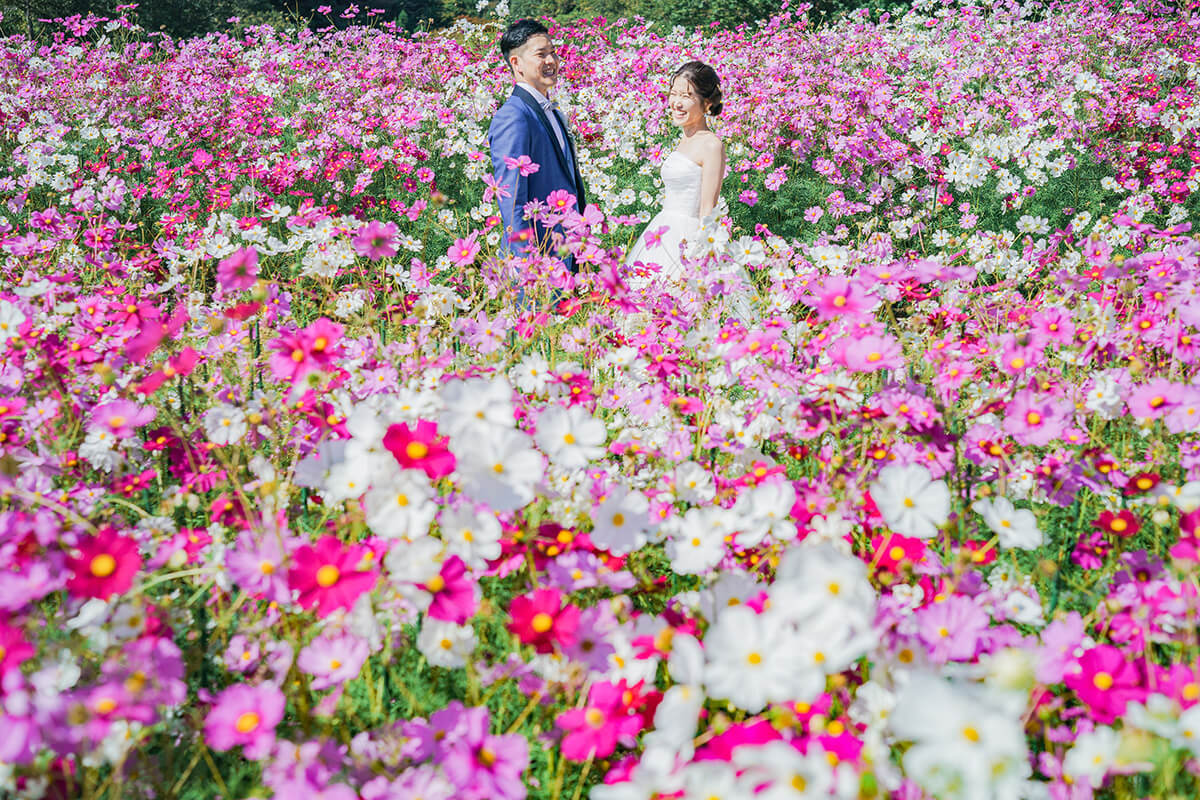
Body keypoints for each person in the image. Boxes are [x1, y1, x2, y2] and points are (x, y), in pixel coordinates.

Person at [488, 19, 588, 275]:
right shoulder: (514, 116)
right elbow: (512, 200)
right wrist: (527, 266)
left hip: (566, 252)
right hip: (538, 262)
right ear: (516, 64)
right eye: (541, 54)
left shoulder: (552, 112)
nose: (551, 61)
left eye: (553, 52)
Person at [625, 61, 728, 288]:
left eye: (687, 96)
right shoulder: (684, 138)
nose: (677, 103)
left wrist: (696, 260)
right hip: (663, 229)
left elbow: (707, 208)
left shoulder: (711, 144)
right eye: (674, 94)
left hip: (687, 238)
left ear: (707, 103)